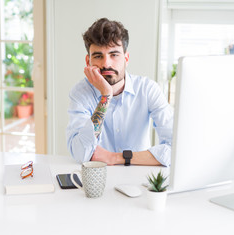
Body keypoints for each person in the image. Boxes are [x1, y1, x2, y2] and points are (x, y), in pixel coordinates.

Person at [66, 18, 173, 166]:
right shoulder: (80, 93)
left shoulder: (148, 89)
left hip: (139, 179)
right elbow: (80, 154)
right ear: (88, 61)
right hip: (97, 179)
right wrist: (105, 96)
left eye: (114, 54)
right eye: (98, 56)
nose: (106, 64)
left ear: (126, 58)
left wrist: (115, 157)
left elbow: (175, 149)